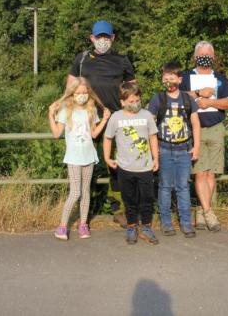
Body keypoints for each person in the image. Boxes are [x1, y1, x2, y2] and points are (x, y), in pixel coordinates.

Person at [67, 20, 136, 228]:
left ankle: (119, 209)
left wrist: (133, 112)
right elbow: (70, 88)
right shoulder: (82, 59)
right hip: (87, 121)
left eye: (107, 37)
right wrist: (64, 113)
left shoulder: (122, 61)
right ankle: (87, 212)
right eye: (99, 37)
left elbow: (133, 90)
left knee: (118, 164)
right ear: (92, 38)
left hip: (117, 120)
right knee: (87, 164)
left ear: (113, 38)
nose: (103, 41)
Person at [179, 41, 228, 232]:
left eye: (208, 54)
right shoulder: (186, 76)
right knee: (200, 172)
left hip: (216, 127)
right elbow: (176, 94)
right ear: (195, 57)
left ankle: (203, 212)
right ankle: (209, 212)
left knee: (211, 172)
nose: (205, 57)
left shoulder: (220, 78)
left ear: (213, 57)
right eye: (201, 54)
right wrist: (197, 95)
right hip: (195, 129)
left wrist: (211, 102)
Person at [47, 78, 110, 240]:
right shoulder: (65, 110)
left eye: (84, 92)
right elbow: (56, 134)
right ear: (72, 93)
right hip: (74, 157)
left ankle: (83, 224)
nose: (82, 95)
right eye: (78, 93)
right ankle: (62, 226)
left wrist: (104, 119)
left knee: (85, 191)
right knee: (75, 192)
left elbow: (94, 134)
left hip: (89, 156)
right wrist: (50, 114)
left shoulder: (91, 110)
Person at [147, 62, 201, 238]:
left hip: (184, 149)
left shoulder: (188, 99)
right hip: (164, 149)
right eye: (165, 77)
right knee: (164, 187)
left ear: (179, 79)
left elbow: (195, 124)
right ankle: (166, 223)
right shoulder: (158, 99)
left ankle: (186, 223)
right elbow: (149, 124)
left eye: (172, 77)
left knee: (183, 187)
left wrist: (197, 147)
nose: (169, 80)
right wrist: (152, 152)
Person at [103, 82, 160, 245]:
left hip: (145, 167)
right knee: (129, 199)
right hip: (124, 168)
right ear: (122, 102)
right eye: (131, 101)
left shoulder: (147, 115)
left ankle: (147, 227)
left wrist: (156, 158)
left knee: (147, 199)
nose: (135, 104)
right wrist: (107, 158)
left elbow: (153, 137)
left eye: (137, 100)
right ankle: (131, 226)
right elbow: (108, 138)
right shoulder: (116, 118)